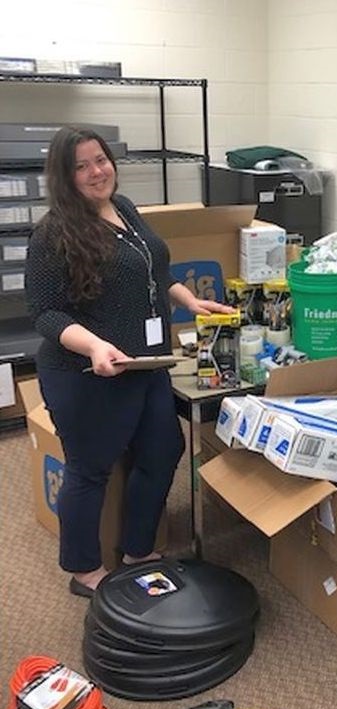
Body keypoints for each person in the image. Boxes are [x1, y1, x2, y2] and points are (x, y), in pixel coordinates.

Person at [26, 125, 234, 598]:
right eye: (81, 166)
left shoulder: (123, 208)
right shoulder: (52, 234)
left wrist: (188, 300)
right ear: (64, 175)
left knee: (164, 451)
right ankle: (84, 570)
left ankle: (138, 548)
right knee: (90, 469)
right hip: (86, 373)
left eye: (100, 159)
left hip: (144, 365)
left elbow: (152, 271)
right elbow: (46, 312)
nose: (96, 171)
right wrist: (96, 346)